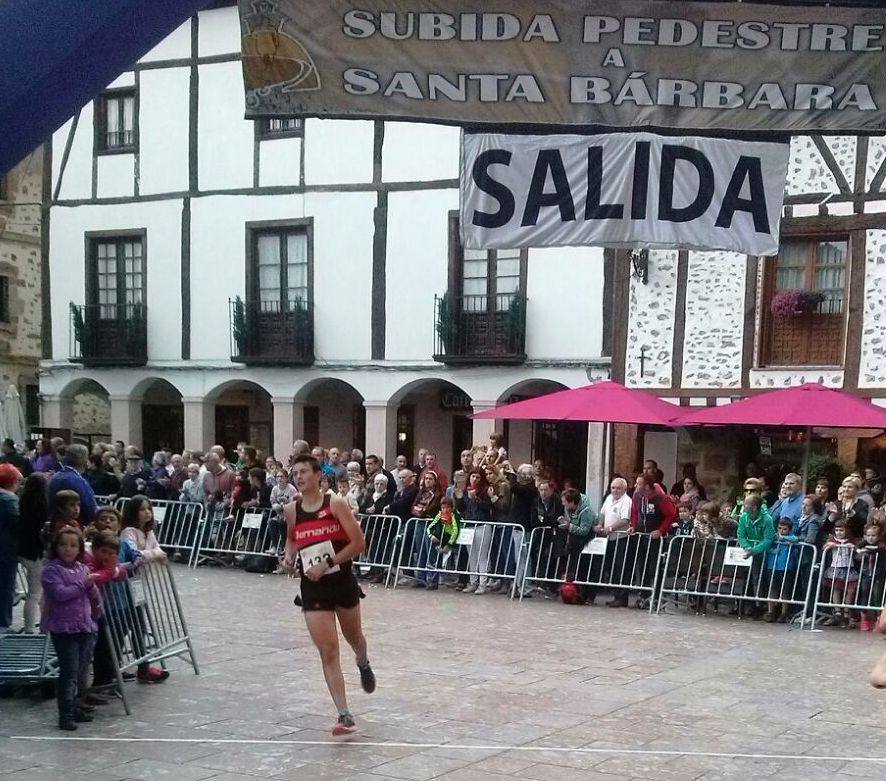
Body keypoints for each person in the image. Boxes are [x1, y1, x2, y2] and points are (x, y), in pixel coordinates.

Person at [282, 454, 374, 736]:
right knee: (329, 650)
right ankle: (344, 714)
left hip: (341, 580)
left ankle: (363, 662)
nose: (298, 477)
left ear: (319, 475)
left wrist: (328, 564)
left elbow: (359, 543)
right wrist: (288, 557)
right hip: (312, 586)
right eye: (295, 473)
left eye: (304, 472)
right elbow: (292, 538)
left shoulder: (335, 503)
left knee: (354, 637)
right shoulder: (292, 510)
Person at [41, 525, 100, 730]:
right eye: (64, 545)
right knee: (68, 671)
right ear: (56, 547)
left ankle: (75, 706)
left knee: (80, 670)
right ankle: (65, 714)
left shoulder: (83, 569)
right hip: (63, 628)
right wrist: (83, 585)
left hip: (84, 626)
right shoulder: (51, 571)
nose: (68, 549)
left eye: (73, 545)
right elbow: (60, 594)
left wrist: (95, 599)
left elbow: (92, 594)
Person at [17, 471, 48, 633]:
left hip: (24, 551)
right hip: (36, 553)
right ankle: (31, 628)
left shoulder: (22, 503)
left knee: (37, 593)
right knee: (35, 593)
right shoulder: (43, 506)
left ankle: (43, 624)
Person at [456, 469, 494, 594]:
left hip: (482, 525)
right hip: (468, 525)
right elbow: (461, 509)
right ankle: (473, 582)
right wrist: (460, 499)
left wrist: (476, 498)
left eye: (478, 477)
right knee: (471, 556)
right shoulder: (466, 491)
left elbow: (488, 507)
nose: (475, 479)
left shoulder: (485, 490)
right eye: (473, 476)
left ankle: (482, 583)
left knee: (482, 556)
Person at [48, 444, 99, 527]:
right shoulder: (78, 481)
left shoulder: (55, 477)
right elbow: (90, 508)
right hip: (75, 527)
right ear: (84, 461)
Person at [762, 518, 800, 623]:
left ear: (789, 530)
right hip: (772, 565)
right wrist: (773, 550)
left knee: (785, 590)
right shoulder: (774, 536)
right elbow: (765, 544)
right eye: (779, 528)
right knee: (772, 588)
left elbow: (796, 539)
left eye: (784, 529)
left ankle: (784, 613)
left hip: (786, 567)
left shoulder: (790, 537)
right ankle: (770, 612)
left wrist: (783, 538)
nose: (781, 531)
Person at [409, 471, 442, 589]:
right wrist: (418, 510)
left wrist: (424, 510)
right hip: (420, 523)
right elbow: (413, 506)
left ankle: (433, 579)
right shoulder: (421, 493)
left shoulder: (438, 495)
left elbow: (433, 509)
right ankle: (420, 578)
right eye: (426, 478)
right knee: (421, 550)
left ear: (435, 481)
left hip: (431, 524)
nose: (428, 480)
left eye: (430, 479)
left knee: (431, 552)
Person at [0, 463, 22, 632]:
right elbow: (17, 524)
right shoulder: (9, 500)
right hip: (6, 550)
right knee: (6, 586)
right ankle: (4, 624)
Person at [422, 497, 461, 590]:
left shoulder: (454, 517)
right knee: (433, 559)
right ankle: (432, 580)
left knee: (441, 559)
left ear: (452, 508)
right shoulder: (439, 515)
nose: (445, 510)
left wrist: (449, 545)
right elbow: (430, 527)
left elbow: (455, 531)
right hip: (438, 539)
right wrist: (431, 535)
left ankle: (436, 579)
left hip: (450, 541)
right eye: (443, 507)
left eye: (447, 507)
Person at [855, 524, 886, 632]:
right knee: (864, 594)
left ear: (878, 536)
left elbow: (879, 549)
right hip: (865, 574)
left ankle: (878, 619)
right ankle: (864, 619)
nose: (870, 538)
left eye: (873, 535)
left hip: (878, 575)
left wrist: (866, 550)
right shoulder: (863, 544)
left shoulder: (881, 545)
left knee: (877, 596)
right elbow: (857, 547)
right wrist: (859, 550)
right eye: (868, 535)